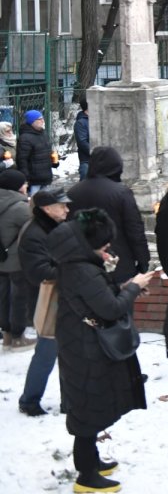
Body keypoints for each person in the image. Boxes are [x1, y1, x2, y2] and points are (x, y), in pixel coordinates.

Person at [50, 208, 154, 494]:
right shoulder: (82, 269)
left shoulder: (79, 263)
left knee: (90, 404)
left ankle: (92, 462)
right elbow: (111, 309)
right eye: (104, 245)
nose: (108, 249)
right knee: (87, 408)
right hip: (85, 347)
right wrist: (132, 288)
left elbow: (99, 300)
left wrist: (122, 287)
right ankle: (86, 475)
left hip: (82, 341)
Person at [17, 185, 72, 415]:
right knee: (47, 352)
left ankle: (69, 401)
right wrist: (72, 268)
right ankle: (29, 400)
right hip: (47, 301)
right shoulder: (34, 234)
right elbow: (38, 272)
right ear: (47, 209)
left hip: (65, 298)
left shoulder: (57, 226)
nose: (67, 209)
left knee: (69, 353)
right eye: (62, 205)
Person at [67, 146, 149, 285]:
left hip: (82, 265)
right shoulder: (121, 193)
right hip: (118, 264)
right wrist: (143, 260)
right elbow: (134, 229)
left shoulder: (72, 193)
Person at [0, 169, 33, 350]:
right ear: (16, 187)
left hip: (1, 260)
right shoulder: (20, 207)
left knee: (3, 297)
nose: (26, 185)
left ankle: (6, 335)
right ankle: (18, 337)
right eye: (24, 183)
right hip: (15, 261)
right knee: (19, 297)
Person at [16, 110, 56, 192]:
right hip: (34, 180)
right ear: (32, 122)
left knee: (45, 203)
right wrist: (25, 177)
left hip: (46, 177)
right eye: (39, 119)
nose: (42, 121)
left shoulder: (43, 134)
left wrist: (54, 161)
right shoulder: (25, 138)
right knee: (33, 203)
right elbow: (22, 159)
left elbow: (47, 152)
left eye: (42, 118)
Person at [74, 101, 91, 181]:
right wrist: (95, 152)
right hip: (86, 161)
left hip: (99, 159)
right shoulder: (81, 123)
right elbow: (82, 142)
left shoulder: (96, 119)